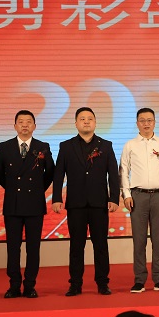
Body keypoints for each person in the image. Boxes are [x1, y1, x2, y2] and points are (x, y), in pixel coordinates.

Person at [52, 107, 120, 296]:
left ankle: (102, 283)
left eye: (90, 118)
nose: (86, 121)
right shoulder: (66, 146)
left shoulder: (105, 145)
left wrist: (114, 198)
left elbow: (113, 174)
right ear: (76, 123)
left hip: (99, 203)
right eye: (82, 119)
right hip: (76, 204)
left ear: (95, 123)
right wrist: (56, 198)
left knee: (101, 245)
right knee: (76, 246)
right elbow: (59, 175)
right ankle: (75, 284)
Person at [0, 110, 55, 298]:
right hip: (12, 204)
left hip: (34, 204)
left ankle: (30, 285)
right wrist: (13, 188)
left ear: (34, 126)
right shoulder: (4, 147)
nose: (25, 125)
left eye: (29, 122)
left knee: (33, 248)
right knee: (13, 247)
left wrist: (37, 189)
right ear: (15, 126)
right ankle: (14, 285)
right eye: (21, 122)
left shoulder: (42, 147)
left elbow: (50, 173)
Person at [120, 108, 159, 294]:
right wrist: (126, 195)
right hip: (138, 196)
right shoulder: (130, 145)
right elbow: (124, 171)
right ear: (137, 123)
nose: (146, 123)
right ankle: (139, 280)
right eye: (142, 120)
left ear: (154, 122)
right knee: (139, 240)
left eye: (149, 120)